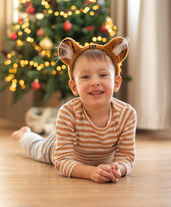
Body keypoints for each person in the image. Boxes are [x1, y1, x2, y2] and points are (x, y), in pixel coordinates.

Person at [11, 37, 137, 183]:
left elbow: (126, 157)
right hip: (58, 147)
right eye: (85, 76)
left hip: (96, 160)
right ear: (74, 87)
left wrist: (117, 169)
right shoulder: (68, 112)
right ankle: (24, 134)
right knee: (36, 149)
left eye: (103, 75)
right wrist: (91, 172)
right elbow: (62, 161)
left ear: (116, 83)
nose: (95, 82)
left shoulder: (127, 114)